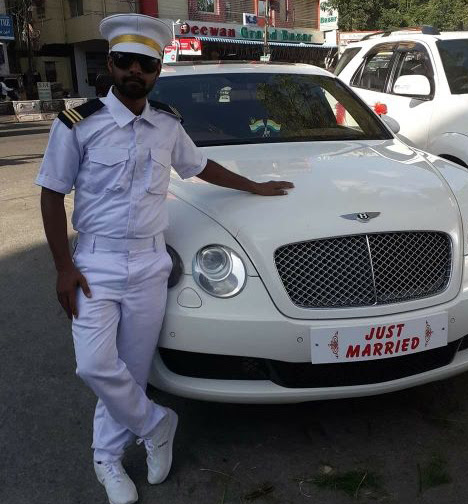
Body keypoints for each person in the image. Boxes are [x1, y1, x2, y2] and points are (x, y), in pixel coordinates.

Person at [36, 13, 293, 504]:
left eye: (146, 64)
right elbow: (51, 193)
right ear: (111, 64)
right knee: (94, 365)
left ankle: (107, 458)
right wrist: (63, 268)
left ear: (156, 71)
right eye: (126, 61)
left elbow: (200, 166)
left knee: (131, 373)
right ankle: (157, 423)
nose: (136, 71)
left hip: (150, 265)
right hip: (94, 264)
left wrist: (254, 186)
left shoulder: (166, 125)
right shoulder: (78, 125)